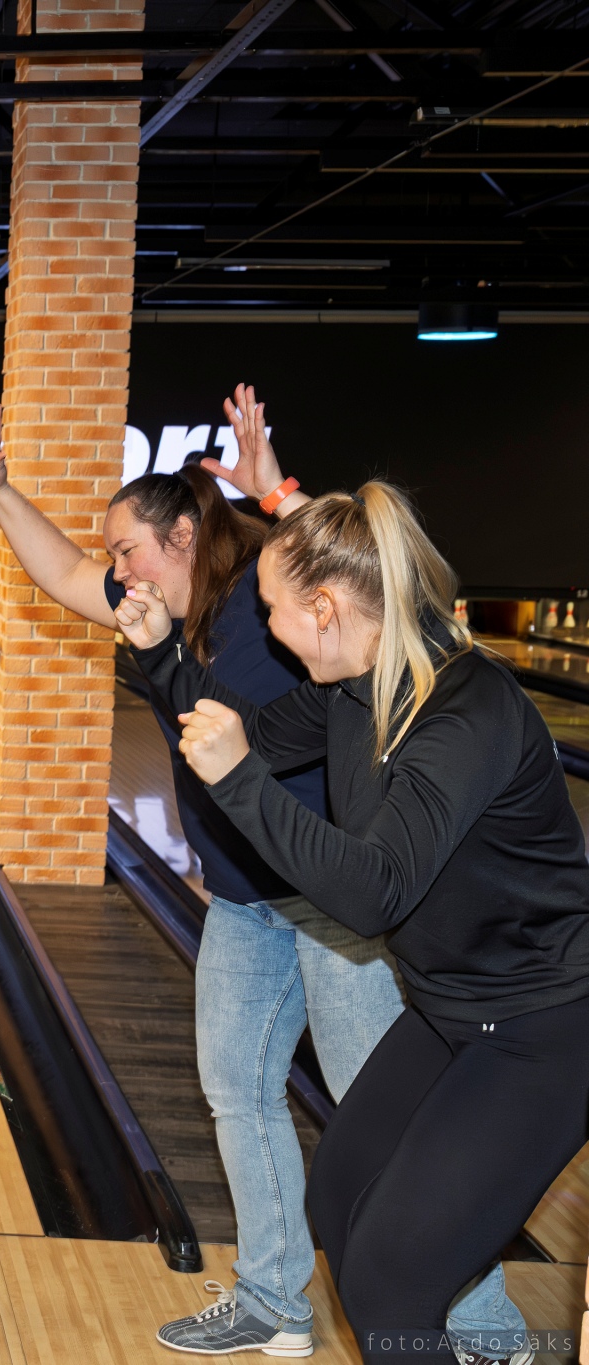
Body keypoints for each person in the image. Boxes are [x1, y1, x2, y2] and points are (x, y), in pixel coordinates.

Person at [0, 389, 526, 1359]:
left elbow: (378, 594)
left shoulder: (270, 617)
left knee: (386, 1121)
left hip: (334, 902)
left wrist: (280, 496)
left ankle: (488, 1329)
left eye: (127, 551)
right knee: (237, 1090)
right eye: (113, 558)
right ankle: (273, 1300)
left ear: (183, 536)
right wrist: (0, 490)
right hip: (242, 900)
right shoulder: (159, 611)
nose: (115, 572)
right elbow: (60, 571)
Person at [117, 484, 589, 1365]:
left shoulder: (465, 710)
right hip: (451, 1011)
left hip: (543, 1026)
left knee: (389, 1284)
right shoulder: (350, 689)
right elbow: (255, 736)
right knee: (338, 1197)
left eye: (272, 609)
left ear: (327, 609)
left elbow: (375, 892)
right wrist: (160, 656)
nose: (266, 627)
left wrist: (239, 783)